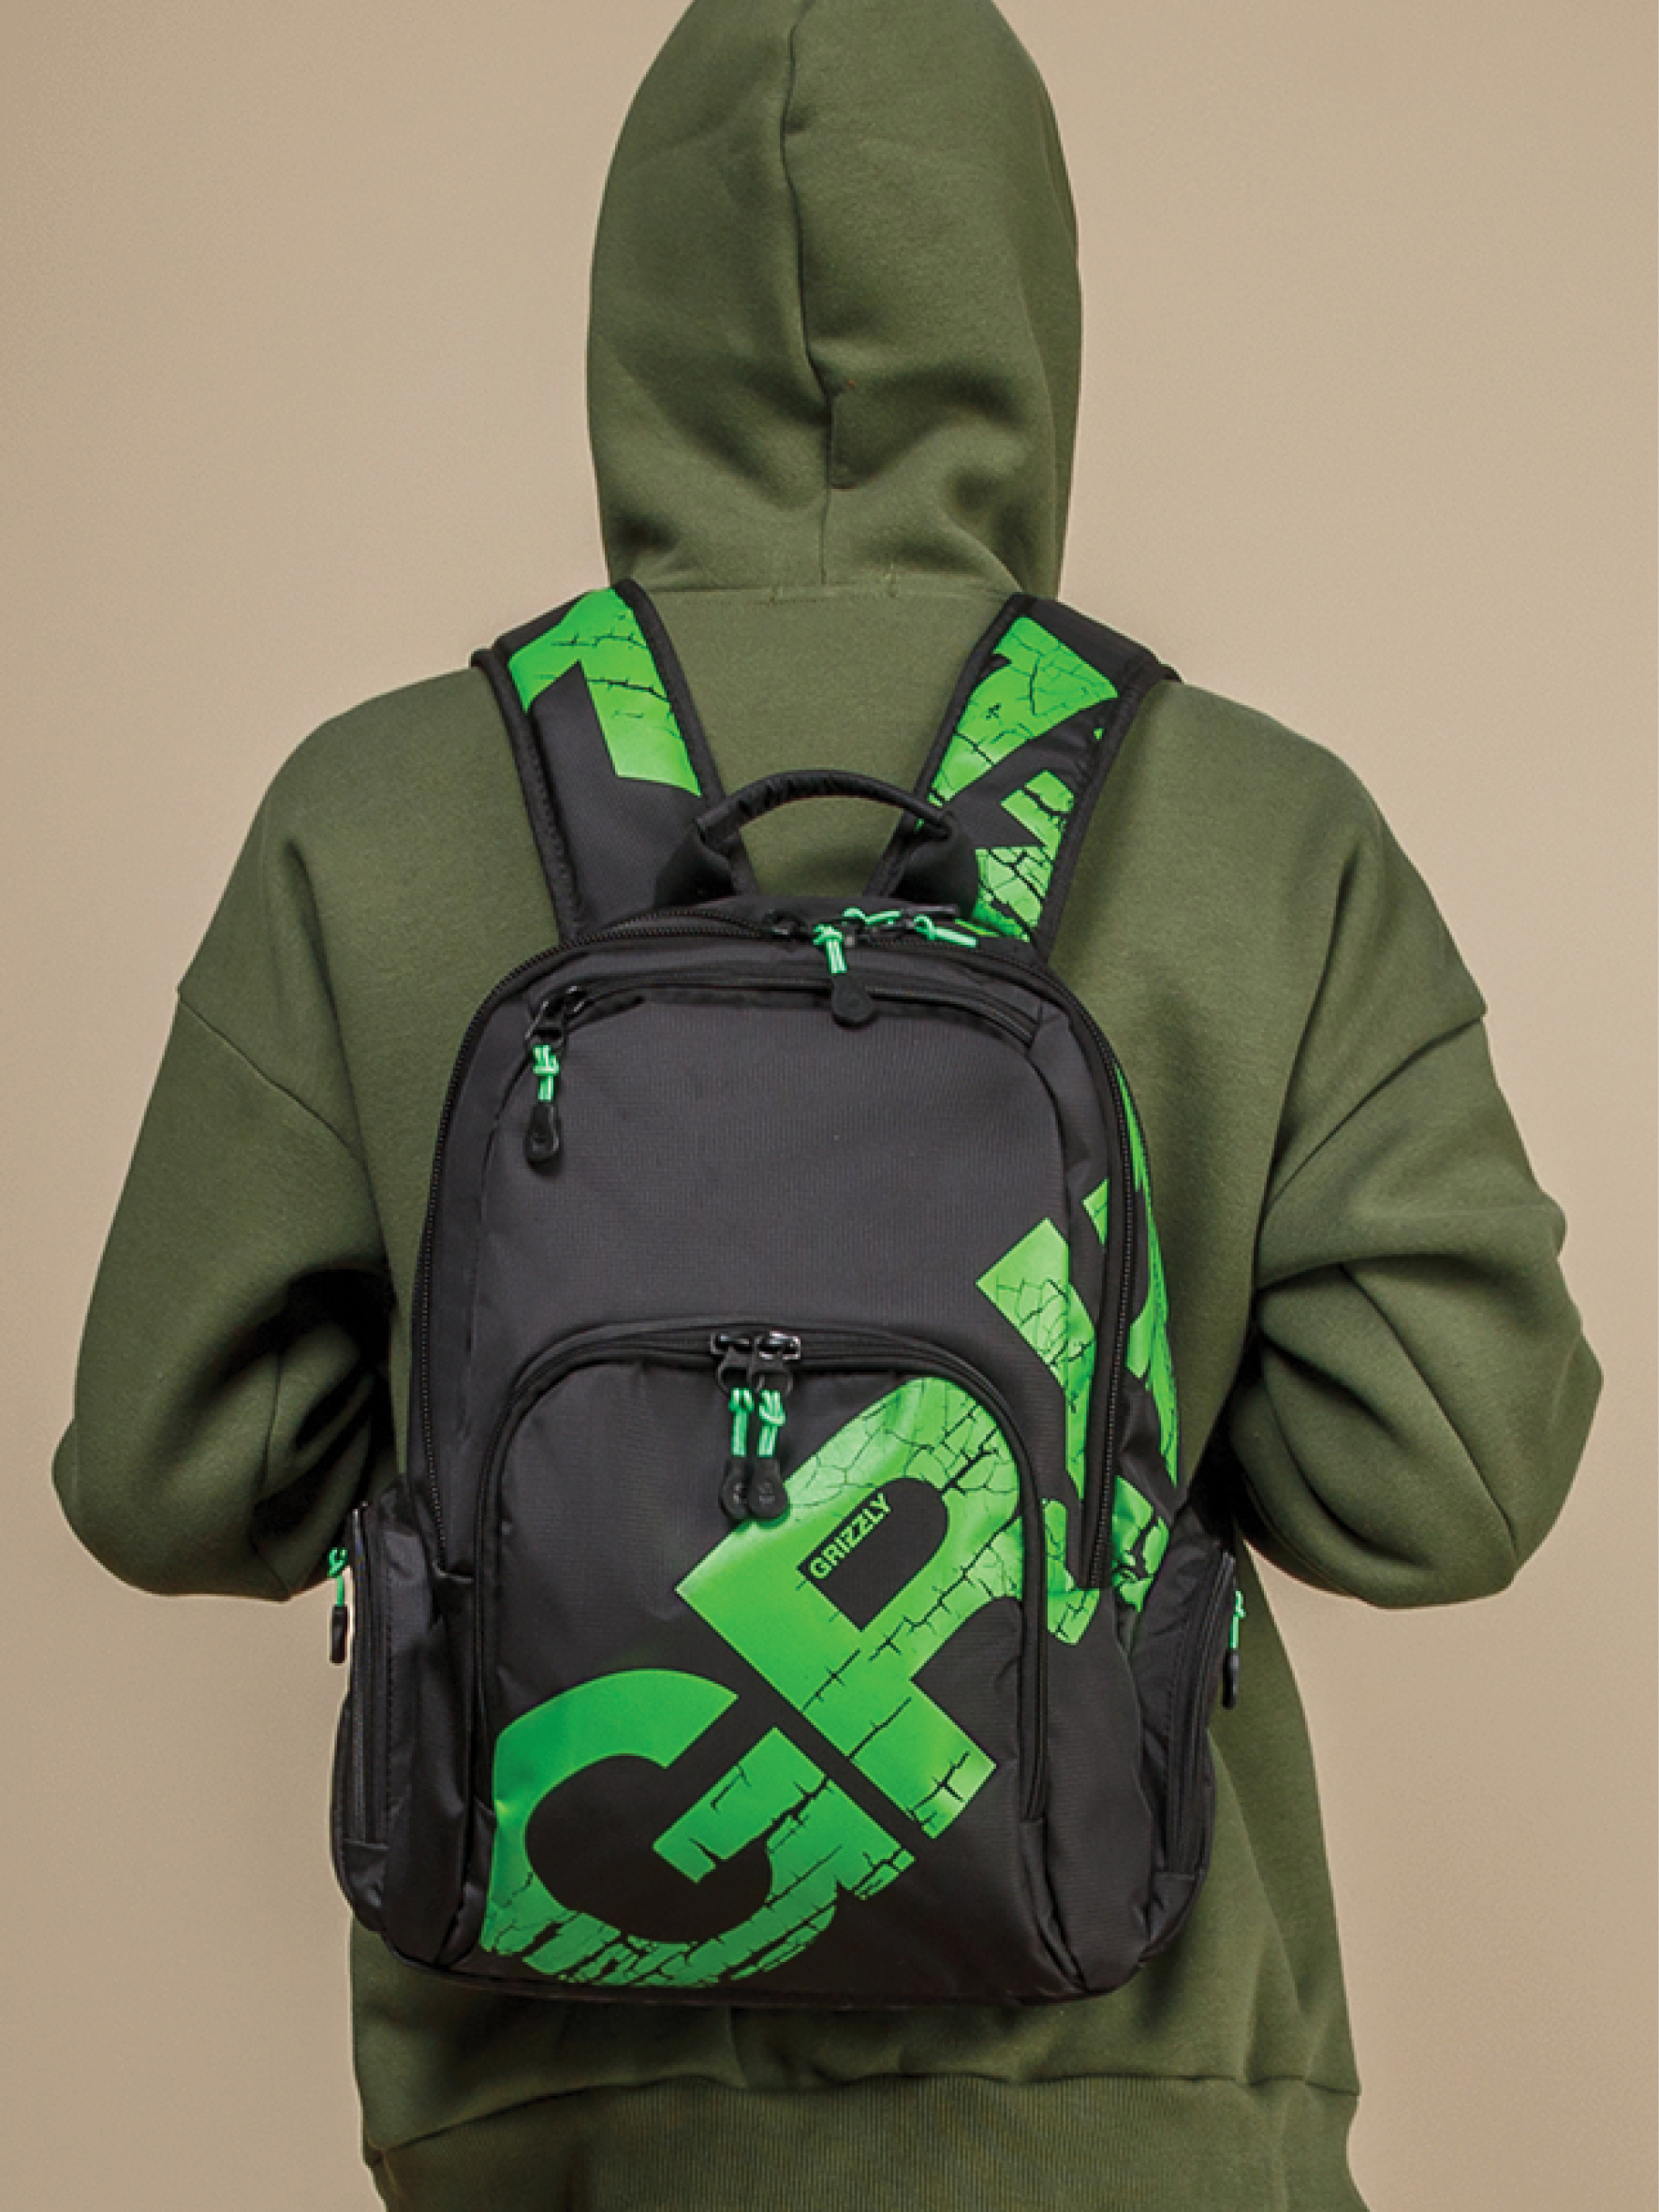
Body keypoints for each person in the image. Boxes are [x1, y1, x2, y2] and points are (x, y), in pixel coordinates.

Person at [51, 0, 1600, 2205]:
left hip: (551, 2133)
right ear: (1031, 300)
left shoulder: (368, 814)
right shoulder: (1262, 829)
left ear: (628, 309)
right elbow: (1447, 1478)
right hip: (1145, 2120)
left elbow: (166, 1473)